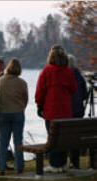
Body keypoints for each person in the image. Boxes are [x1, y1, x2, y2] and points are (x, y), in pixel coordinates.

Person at [35, 45, 77, 173]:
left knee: (52, 138)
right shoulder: (68, 72)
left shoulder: (47, 71)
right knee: (63, 138)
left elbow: (40, 91)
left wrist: (39, 105)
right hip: (65, 111)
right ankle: (62, 163)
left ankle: (54, 164)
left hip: (51, 110)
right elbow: (73, 89)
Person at [0, 58, 28, 175]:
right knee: (18, 140)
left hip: (3, 113)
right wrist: (20, 107)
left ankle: (1, 168)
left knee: (2, 141)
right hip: (18, 113)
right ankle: (19, 167)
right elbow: (25, 99)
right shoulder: (22, 83)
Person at [68, 54, 88, 169]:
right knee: (76, 136)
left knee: (67, 136)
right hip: (79, 111)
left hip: (66, 111)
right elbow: (85, 95)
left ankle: (70, 161)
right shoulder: (80, 77)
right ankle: (75, 162)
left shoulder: (64, 76)